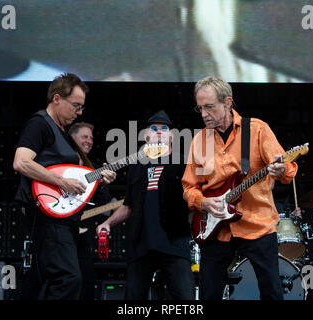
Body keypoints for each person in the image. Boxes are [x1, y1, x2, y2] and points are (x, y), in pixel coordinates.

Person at [181, 76, 298, 300]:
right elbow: (189, 187)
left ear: (227, 102)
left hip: (257, 224)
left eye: (209, 107)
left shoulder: (257, 130)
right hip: (215, 229)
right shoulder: (199, 141)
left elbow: (289, 170)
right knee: (209, 293)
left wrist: (280, 170)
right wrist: (203, 202)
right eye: (200, 108)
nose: (204, 114)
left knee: (272, 292)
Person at [12, 73, 116, 300]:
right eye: (76, 106)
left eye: (82, 107)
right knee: (67, 278)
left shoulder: (64, 135)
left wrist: (99, 178)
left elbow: (75, 177)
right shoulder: (39, 124)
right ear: (57, 99)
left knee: (57, 280)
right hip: (46, 214)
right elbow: (21, 162)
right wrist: (61, 182)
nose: (79, 112)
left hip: (64, 216)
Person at [96, 110, 195, 300]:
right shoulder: (137, 167)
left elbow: (195, 199)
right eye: (154, 128)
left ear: (172, 136)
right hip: (141, 244)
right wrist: (108, 223)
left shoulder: (184, 162)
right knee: (133, 299)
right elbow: (128, 206)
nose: (159, 132)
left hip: (173, 242)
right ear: (146, 136)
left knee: (185, 298)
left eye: (164, 128)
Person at [68, 121, 115, 300]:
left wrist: (103, 184)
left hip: (82, 234)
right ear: (72, 139)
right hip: (57, 230)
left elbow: (104, 206)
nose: (89, 141)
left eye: (91, 138)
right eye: (85, 136)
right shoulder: (59, 161)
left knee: (85, 279)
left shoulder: (93, 169)